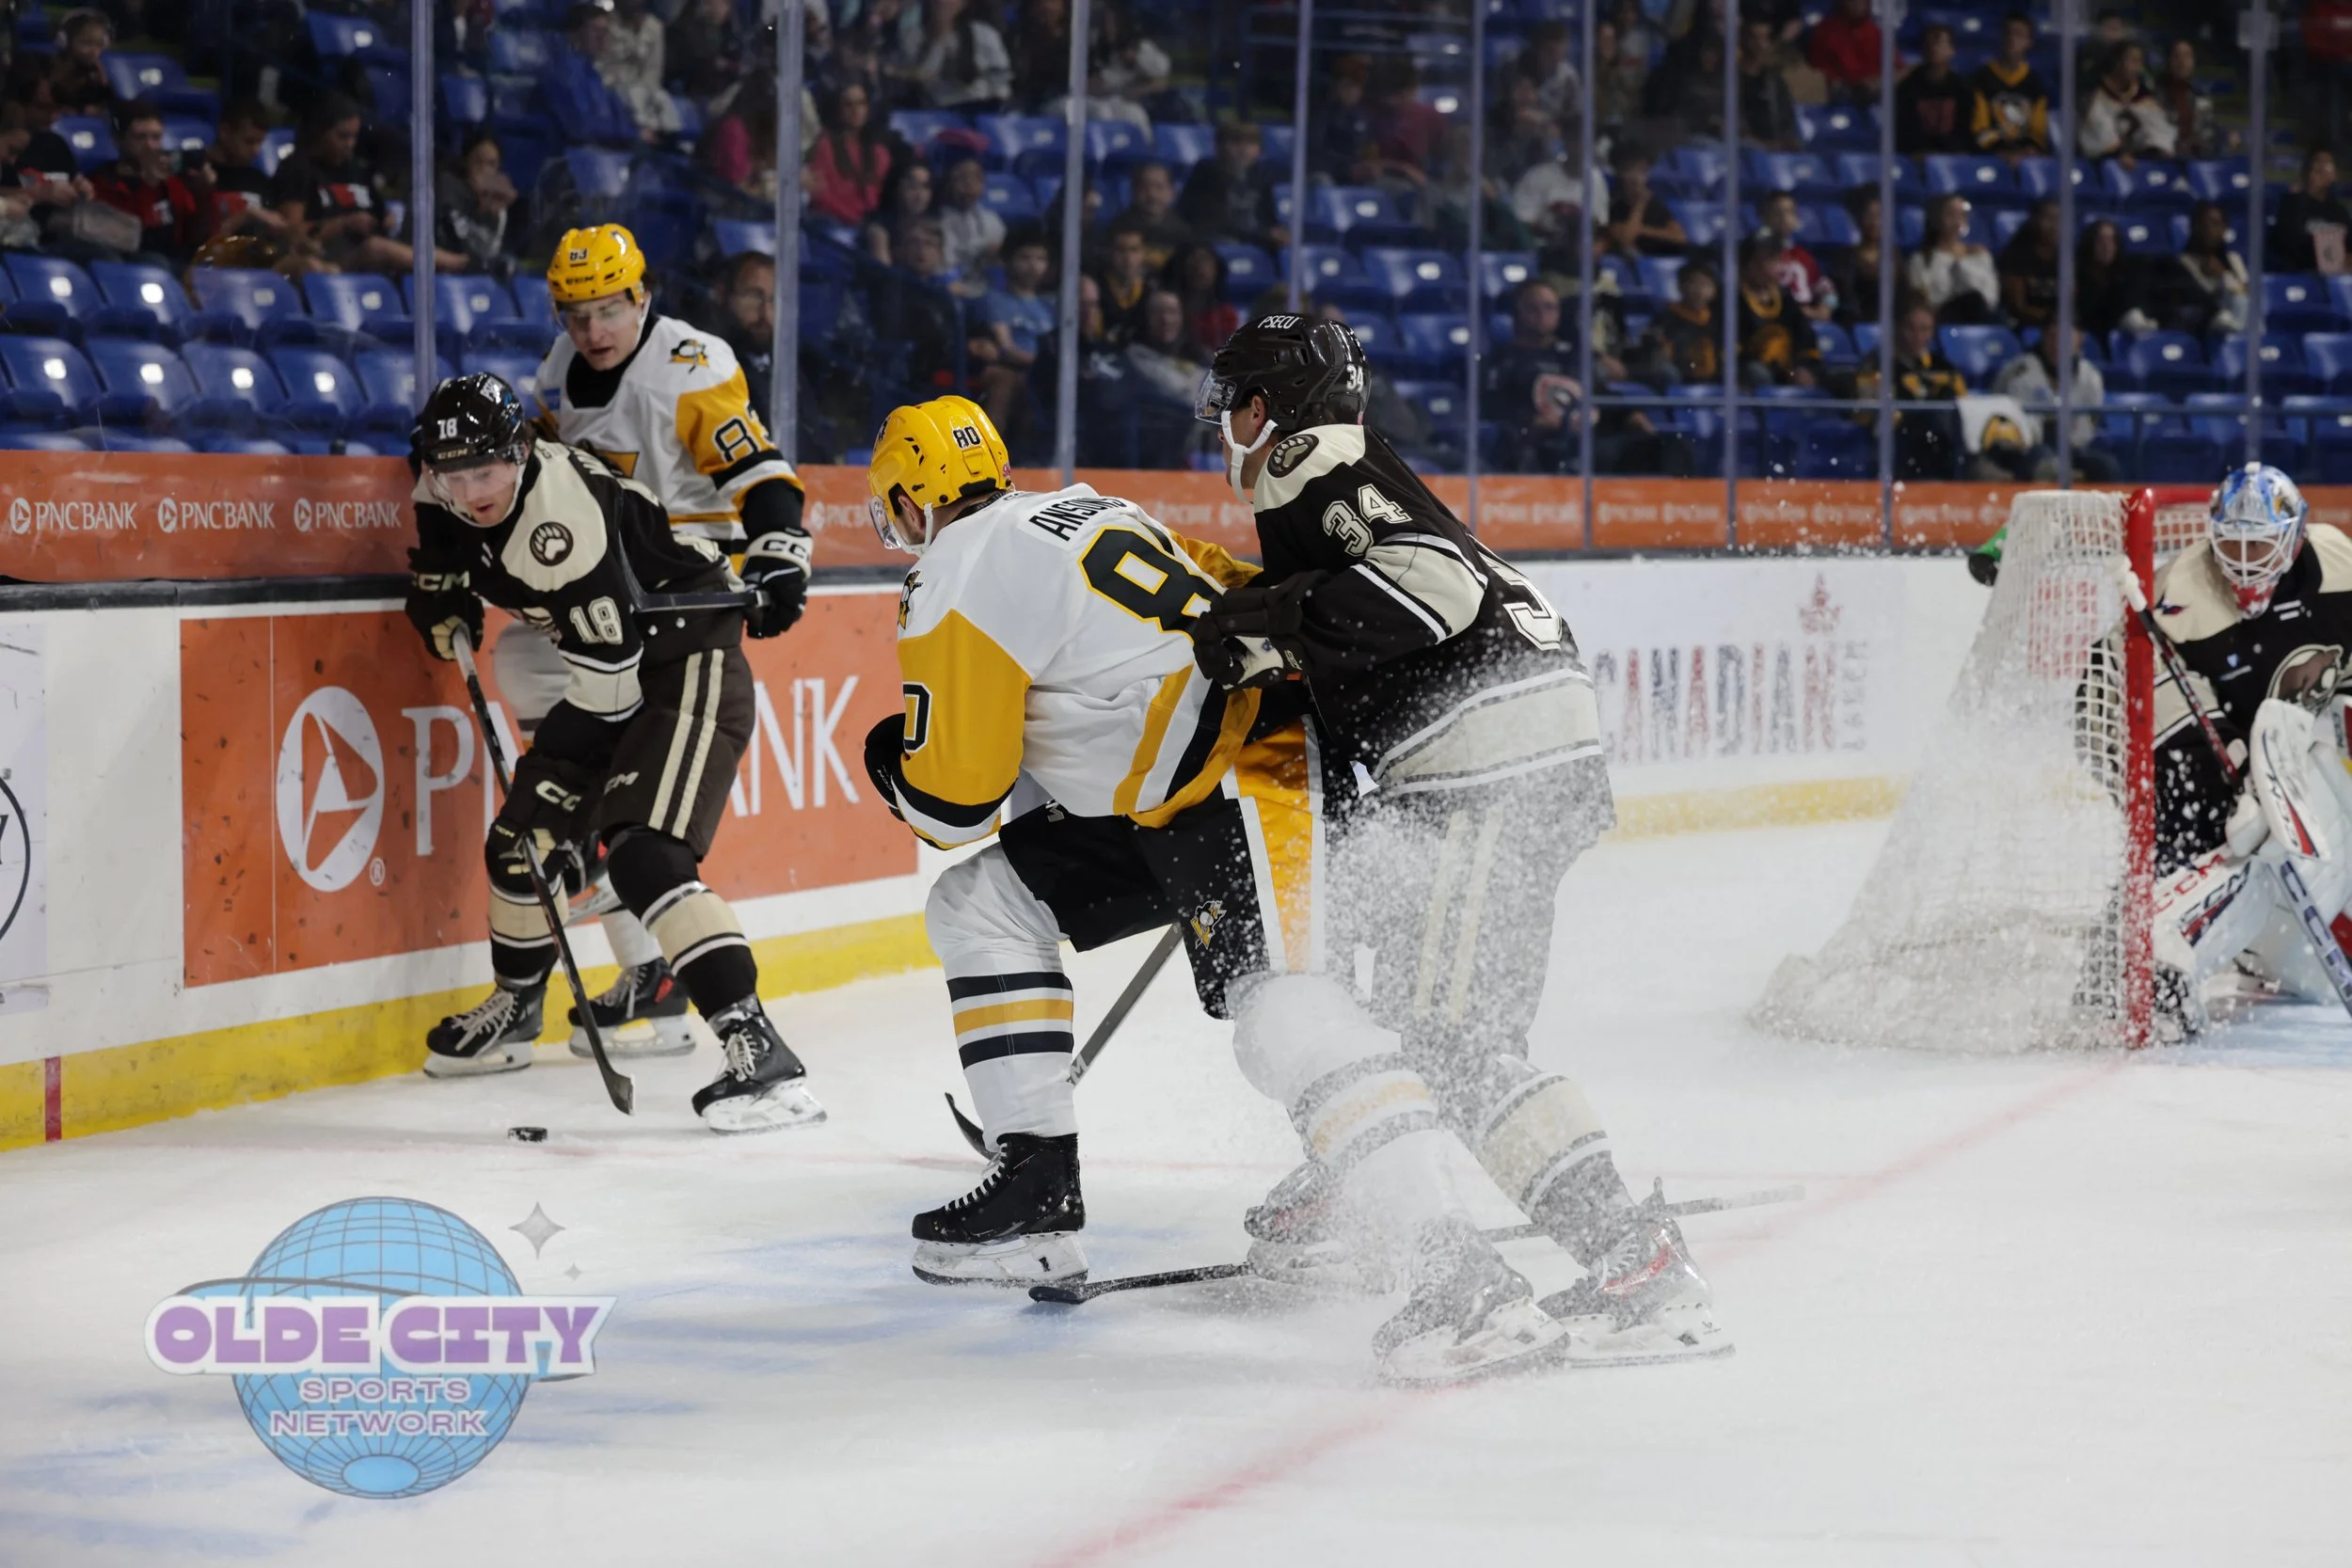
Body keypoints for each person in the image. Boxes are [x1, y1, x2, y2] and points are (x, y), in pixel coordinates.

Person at [858, 396, 1580, 1385]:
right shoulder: (1083, 507)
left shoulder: (956, 568)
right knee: (984, 902)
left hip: (1250, 772)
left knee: (1284, 1014)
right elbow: (1233, 587)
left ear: (912, 498)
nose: (900, 534)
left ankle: (1455, 1270)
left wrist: (886, 760)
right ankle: (1035, 1189)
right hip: (1180, 793)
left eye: (897, 513)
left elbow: (950, 799)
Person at [1193, 316, 1725, 1366]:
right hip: (1500, 757)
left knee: (1452, 1046)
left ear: (1271, 405)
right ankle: (1375, 1182)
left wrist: (1271, 615)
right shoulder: (1336, 476)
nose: (1224, 421)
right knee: (1418, 1025)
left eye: (1234, 398)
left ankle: (1634, 1258)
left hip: (1484, 762)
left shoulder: (1314, 460)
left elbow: (1434, 585)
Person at [404, 375, 821, 1133]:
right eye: (454, 474)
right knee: (518, 847)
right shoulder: (444, 478)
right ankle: (518, 1010)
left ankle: (758, 1050)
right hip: (612, 667)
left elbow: (611, 699)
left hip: (685, 664)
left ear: (522, 451)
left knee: (644, 853)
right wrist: (441, 589)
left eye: (485, 471)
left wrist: (581, 818)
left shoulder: (559, 527)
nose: (471, 490)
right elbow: (438, 526)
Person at [526, 226, 814, 1057]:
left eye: (609, 308)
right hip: (603, 605)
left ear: (642, 295)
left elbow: (756, 471)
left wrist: (780, 552)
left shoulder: (690, 364)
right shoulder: (557, 369)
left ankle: (712, 1008)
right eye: (576, 313)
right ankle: (648, 981)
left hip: (681, 608)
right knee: (531, 675)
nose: (592, 329)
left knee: (638, 825)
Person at [2142, 467, 2352, 1039]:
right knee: (2248, 844)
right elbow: (2123, 696)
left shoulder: (2340, 569)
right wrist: (2227, 780)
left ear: (2294, 539)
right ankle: (2158, 956)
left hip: (2300, 761)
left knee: (2312, 944)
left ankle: (2257, 950)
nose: (2244, 558)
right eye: (2231, 543)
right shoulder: (2181, 592)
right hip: (2202, 772)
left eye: (2258, 542)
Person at [1486, 279, 1685, 475]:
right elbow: (1496, 407)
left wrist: (1631, 415)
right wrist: (1532, 423)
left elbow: (1601, 394)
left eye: (1549, 307)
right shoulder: (1503, 359)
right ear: (1516, 312)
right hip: (1548, 446)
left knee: (1670, 446)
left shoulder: (1572, 356)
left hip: (1596, 438)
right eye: (1533, 307)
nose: (1542, 314)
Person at [270, 93, 421, 276]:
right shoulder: (297, 168)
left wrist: (385, 220)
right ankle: (454, 264)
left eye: (354, 137)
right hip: (329, 258)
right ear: (319, 132)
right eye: (342, 136)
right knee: (376, 247)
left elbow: (381, 216)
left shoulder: (357, 170)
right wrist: (343, 224)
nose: (350, 144)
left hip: (370, 261)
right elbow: (290, 233)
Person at [1990, 325, 2117, 481]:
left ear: (2080, 338)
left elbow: (2092, 421)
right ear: (2044, 338)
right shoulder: (2020, 371)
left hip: (2071, 448)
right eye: (2052, 335)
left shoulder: (2090, 375)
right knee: (2044, 461)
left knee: (2106, 466)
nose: (2057, 343)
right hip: (2028, 449)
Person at [1855, 300, 1965, 479]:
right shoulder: (1877, 363)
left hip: (1940, 438)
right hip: (1895, 435)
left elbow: (1963, 404)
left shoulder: (1944, 368)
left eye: (1925, 329)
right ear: (1898, 328)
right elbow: (1867, 412)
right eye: (1910, 328)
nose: (1917, 336)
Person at [88, 100, 206, 266]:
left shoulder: (171, 183)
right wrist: (148, 186)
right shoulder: (102, 183)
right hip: (134, 266)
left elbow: (196, 234)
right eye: (140, 137)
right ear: (118, 140)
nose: (150, 146)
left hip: (175, 262)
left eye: (156, 137)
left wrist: (204, 191)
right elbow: (130, 237)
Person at [971, 226, 1053, 434]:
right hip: (1013, 369)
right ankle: (992, 451)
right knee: (1005, 380)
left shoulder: (1051, 305)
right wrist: (1041, 363)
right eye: (1025, 258)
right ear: (1009, 260)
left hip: (1046, 373)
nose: (1033, 265)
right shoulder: (996, 301)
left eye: (1040, 258)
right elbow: (1006, 348)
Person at [547, 3, 655, 148]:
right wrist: (632, 134)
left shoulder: (594, 74)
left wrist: (637, 132)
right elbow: (582, 126)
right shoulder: (563, 74)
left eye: (605, 31)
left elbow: (619, 116)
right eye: (595, 30)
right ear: (574, 35)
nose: (602, 38)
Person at [183, 98, 282, 245]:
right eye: (249, 142)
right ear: (225, 132)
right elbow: (197, 238)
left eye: (260, 143)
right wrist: (246, 215)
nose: (256, 151)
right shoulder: (195, 174)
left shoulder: (258, 180)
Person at [1177, 118, 1284, 254]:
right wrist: (1264, 235)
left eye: (1251, 143)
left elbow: (1268, 220)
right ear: (1219, 146)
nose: (1243, 149)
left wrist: (1276, 233)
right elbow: (1217, 223)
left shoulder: (1262, 178)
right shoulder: (1206, 172)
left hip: (1255, 244)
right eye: (1235, 142)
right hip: (1213, 245)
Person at [887, 0, 1012, 112]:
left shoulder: (984, 34)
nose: (943, 2)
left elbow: (1002, 78)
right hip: (934, 110)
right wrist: (939, 37)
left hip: (982, 108)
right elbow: (919, 76)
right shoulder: (913, 37)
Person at [1736, 231, 1822, 387]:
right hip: (1747, 373)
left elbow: (1805, 338)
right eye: (1769, 259)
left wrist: (1803, 367)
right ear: (1748, 263)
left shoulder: (1785, 298)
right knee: (1757, 373)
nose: (1777, 265)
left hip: (1786, 370)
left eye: (1778, 258)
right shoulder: (1733, 299)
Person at [435, 131, 522, 279]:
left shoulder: (501, 204)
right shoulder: (447, 189)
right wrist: (478, 211)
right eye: (478, 162)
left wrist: (495, 217)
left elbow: (491, 256)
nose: (484, 170)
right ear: (465, 162)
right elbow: (455, 244)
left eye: (491, 164)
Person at [805, 82, 892, 230]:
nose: (855, 110)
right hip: (833, 224)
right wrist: (854, 220)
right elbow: (821, 197)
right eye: (848, 105)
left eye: (861, 104)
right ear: (838, 109)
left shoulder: (880, 152)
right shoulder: (824, 147)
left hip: (869, 227)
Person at [1904, 193, 1999, 324]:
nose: (1957, 221)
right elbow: (1922, 302)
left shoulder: (1979, 255)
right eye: (1951, 215)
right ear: (1937, 218)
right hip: (1942, 318)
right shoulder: (1921, 259)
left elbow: (1991, 296)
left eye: (1962, 215)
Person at [2078, 40, 2175, 167]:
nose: (2137, 67)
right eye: (2132, 61)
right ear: (2117, 62)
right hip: (2099, 164)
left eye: (2139, 62)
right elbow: (2097, 127)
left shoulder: (2144, 96)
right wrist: (2118, 153)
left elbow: (2159, 130)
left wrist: (2156, 150)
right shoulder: (2094, 94)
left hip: (2140, 161)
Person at [1971, 12, 2052, 160]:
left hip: (2026, 156)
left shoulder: (2035, 81)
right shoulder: (1982, 77)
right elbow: (1979, 128)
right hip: (1991, 155)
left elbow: (2038, 130)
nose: (2012, 39)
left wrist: (2028, 150)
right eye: (2008, 33)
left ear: (2029, 42)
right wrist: (2002, 152)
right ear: (2001, 37)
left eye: (2019, 35)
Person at [2161, 201, 2249, 337]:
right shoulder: (2182, 264)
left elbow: (2245, 295)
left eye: (2218, 224)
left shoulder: (2234, 259)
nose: (2211, 230)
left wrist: (2224, 274)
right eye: (2205, 224)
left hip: (2238, 325)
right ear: (2195, 228)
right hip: (2204, 331)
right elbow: (2202, 300)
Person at [596, 0, 679, 138]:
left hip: (643, 89)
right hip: (611, 88)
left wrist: (645, 90)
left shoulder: (654, 27)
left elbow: (654, 71)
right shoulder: (605, 24)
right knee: (633, 96)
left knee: (662, 98)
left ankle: (676, 141)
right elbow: (600, 65)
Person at [1896, 24, 1974, 155]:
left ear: (1952, 50)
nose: (1933, 48)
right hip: (1915, 157)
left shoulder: (1963, 88)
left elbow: (1965, 130)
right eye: (1929, 43)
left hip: (1953, 156)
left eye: (1939, 43)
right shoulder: (1907, 86)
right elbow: (1904, 132)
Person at [1641, 259, 1721, 385]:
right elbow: (1653, 342)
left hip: (1711, 374)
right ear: (1681, 286)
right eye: (1694, 283)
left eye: (1705, 285)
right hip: (1680, 370)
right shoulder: (1668, 315)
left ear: (1714, 290)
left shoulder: (1717, 319)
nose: (1699, 291)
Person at [2271, 148, 2349, 277]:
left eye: (2328, 165)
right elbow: (2283, 245)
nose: (2322, 169)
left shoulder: (2340, 212)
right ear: (2310, 172)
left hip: (2336, 278)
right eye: (2319, 165)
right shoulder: (2292, 205)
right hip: (2301, 275)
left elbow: (2349, 245)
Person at [1759, 191, 1836, 322]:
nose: (1784, 218)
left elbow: (1826, 289)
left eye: (1790, 212)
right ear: (1765, 218)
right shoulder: (1758, 255)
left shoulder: (1802, 256)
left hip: (1803, 322)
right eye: (1777, 213)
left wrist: (1825, 308)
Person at [1594, 141, 1677, 259]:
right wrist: (1639, 206)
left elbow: (1680, 237)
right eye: (1629, 170)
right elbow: (1625, 239)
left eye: (1641, 170)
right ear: (1619, 172)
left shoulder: (1655, 205)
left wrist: (1643, 230)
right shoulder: (1613, 204)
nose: (1636, 177)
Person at [2075, 217, 2154, 338]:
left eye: (2112, 240)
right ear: (2090, 243)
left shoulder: (2127, 274)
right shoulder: (2078, 276)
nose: (2107, 246)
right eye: (2100, 241)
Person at [1109, 159, 1189, 272]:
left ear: (1171, 193)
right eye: (1145, 188)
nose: (1152, 195)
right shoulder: (1118, 228)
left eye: (1159, 187)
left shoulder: (1183, 234)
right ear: (1134, 191)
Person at [1165, 242, 1239, 359]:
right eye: (1194, 262)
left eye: (1206, 261)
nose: (1200, 268)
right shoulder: (1166, 308)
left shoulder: (1225, 314)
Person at [1996, 198, 2061, 333]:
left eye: (2059, 219)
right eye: (2049, 219)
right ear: (2034, 221)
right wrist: (2049, 317)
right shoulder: (2014, 256)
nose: (2054, 225)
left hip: (2058, 327)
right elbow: (2018, 307)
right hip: (2023, 326)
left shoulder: (2065, 258)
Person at [1736, 17, 1802, 149]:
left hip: (1775, 145)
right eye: (1755, 38)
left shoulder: (1773, 80)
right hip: (1747, 145)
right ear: (1744, 41)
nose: (1760, 45)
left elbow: (1786, 116)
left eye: (1765, 39)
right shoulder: (1733, 78)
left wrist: (1786, 140)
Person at [935, 154, 1005, 277]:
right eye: (963, 178)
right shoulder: (937, 219)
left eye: (977, 178)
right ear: (949, 181)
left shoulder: (993, 221)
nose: (970, 185)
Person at [1806, 0, 1883, 107]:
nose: (1857, 5)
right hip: (1840, 100)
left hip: (1876, 99)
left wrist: (1879, 81)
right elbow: (1818, 72)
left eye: (1862, 2)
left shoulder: (1877, 31)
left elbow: (1897, 68)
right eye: (1853, 2)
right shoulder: (1825, 31)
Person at [666, 0, 746, 102]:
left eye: (726, 4)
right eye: (709, 4)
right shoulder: (685, 30)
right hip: (692, 93)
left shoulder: (732, 35)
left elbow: (737, 66)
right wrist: (711, 62)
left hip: (724, 93)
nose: (716, 9)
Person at [1093, 221, 1152, 345]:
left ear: (1144, 253)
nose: (1128, 259)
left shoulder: (1150, 293)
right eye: (1121, 250)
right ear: (1108, 253)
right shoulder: (1094, 291)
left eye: (1134, 250)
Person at [45, 9, 112, 117]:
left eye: (99, 44)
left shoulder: (97, 73)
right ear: (65, 41)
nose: (93, 51)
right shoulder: (53, 70)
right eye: (87, 43)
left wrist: (103, 82)